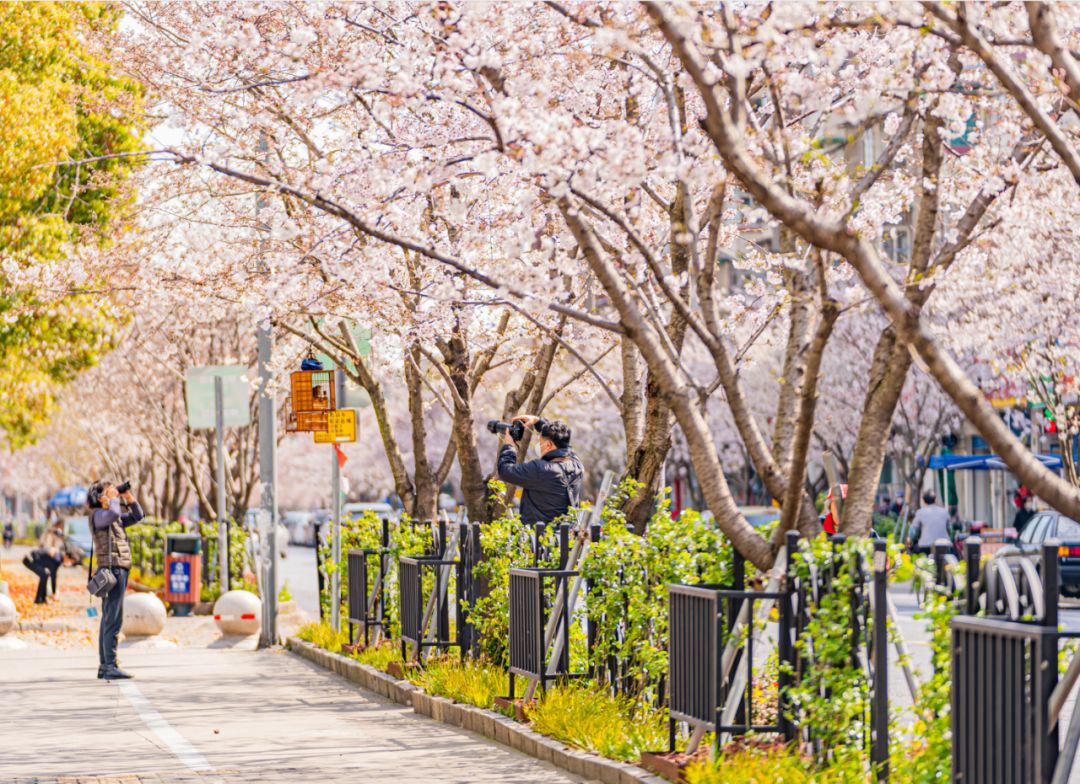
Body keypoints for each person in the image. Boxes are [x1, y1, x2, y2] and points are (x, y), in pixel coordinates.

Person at [88, 480, 144, 680]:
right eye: (108, 490)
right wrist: (113, 499)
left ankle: (105, 665)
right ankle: (110, 664)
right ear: (99, 497)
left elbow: (138, 516)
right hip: (112, 569)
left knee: (110, 617)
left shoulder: (114, 517)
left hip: (119, 568)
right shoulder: (98, 516)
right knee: (113, 618)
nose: (113, 493)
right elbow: (112, 513)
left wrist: (128, 497)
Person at [496, 415, 583, 526]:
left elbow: (505, 471)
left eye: (540, 442)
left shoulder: (541, 470)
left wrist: (509, 446)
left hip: (539, 539)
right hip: (566, 537)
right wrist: (538, 422)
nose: (539, 446)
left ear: (548, 445)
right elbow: (563, 443)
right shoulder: (577, 465)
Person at [22, 522, 72, 604]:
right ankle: (39, 599)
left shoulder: (58, 554)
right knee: (45, 574)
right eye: (70, 561)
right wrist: (54, 593)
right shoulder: (57, 559)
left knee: (45, 574)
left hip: (33, 558)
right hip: (29, 559)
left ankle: (41, 599)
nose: (69, 563)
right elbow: (53, 577)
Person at [908, 490, 951, 555]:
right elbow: (949, 529)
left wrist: (910, 539)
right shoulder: (944, 512)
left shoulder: (920, 512)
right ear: (935, 499)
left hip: (925, 546)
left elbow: (913, 532)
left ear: (924, 501)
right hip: (944, 544)